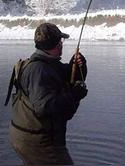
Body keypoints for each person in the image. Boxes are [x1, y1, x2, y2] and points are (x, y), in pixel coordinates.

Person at [7, 22, 88, 165]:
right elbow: (45, 106)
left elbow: (60, 78)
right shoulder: (39, 70)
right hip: (37, 141)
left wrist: (77, 68)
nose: (62, 44)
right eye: (60, 41)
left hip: (25, 136)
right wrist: (74, 94)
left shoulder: (45, 65)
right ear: (56, 44)